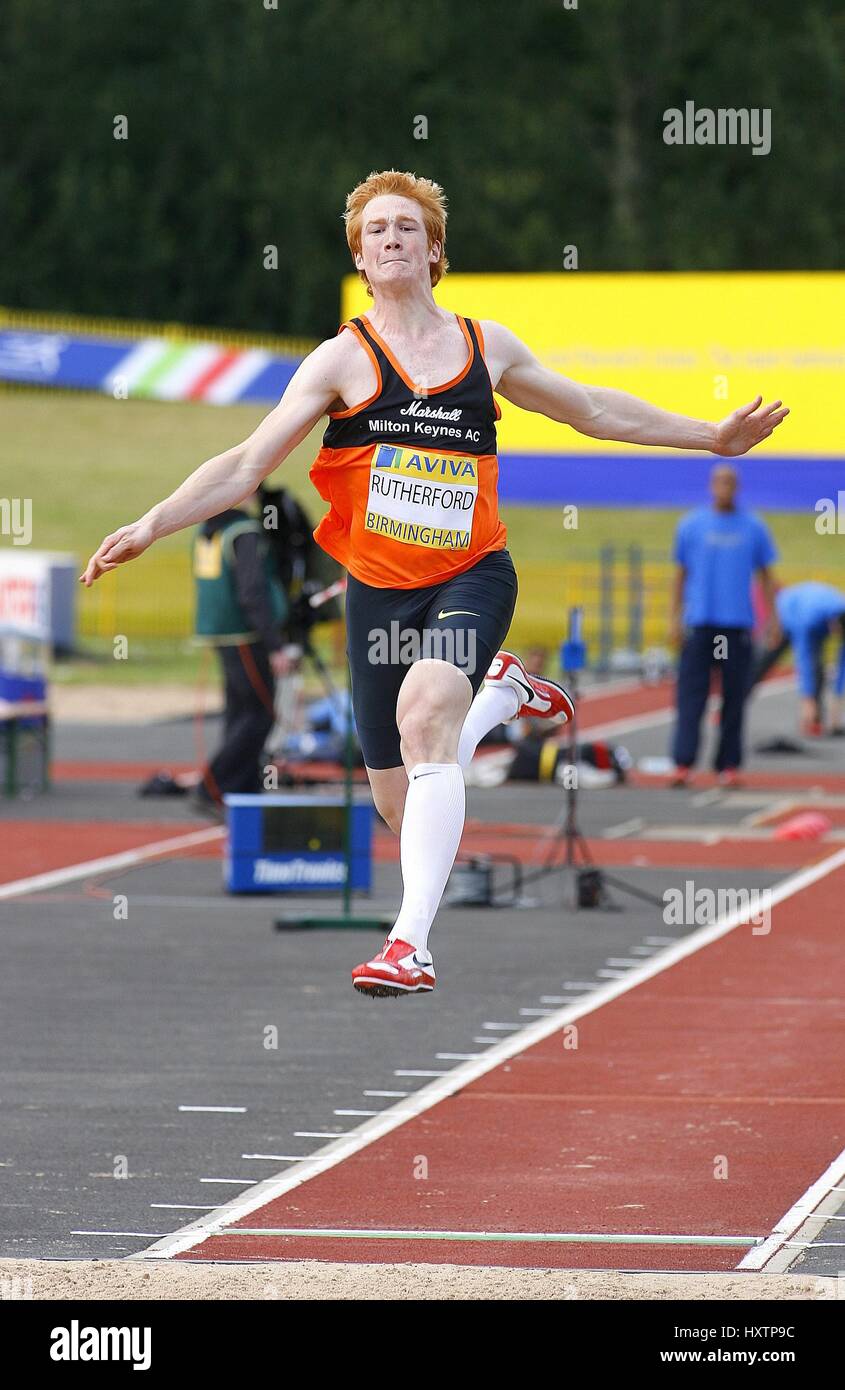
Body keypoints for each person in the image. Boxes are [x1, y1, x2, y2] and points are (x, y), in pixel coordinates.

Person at [80, 169, 788, 997]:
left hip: (472, 575)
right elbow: (245, 465)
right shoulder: (343, 358)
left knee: (423, 721)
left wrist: (709, 436)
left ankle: (407, 945)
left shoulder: (485, 347)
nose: (390, 239)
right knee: (402, 805)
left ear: (434, 251)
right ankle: (500, 698)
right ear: (360, 254)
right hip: (377, 593)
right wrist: (151, 524)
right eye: (375, 230)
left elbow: (588, 408)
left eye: (406, 228)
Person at [669, 463, 780, 787]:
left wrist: (772, 619)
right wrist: (674, 618)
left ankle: (727, 765)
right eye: (719, 482)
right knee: (691, 696)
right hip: (700, 624)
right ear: (711, 486)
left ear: (737, 487)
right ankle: (683, 763)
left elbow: (767, 576)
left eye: (730, 482)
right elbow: (680, 575)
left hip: (736, 626)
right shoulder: (691, 525)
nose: (724, 487)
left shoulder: (753, 526)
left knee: (735, 697)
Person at [191, 490, 290, 815]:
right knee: (260, 714)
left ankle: (241, 790)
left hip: (221, 633)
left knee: (239, 713)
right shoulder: (243, 531)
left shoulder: (208, 529)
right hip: (247, 636)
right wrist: (274, 643)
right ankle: (213, 785)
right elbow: (253, 591)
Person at [752, 581, 845, 735]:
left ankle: (814, 721)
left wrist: (838, 700)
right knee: (759, 665)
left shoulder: (841, 617)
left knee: (818, 671)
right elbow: (804, 658)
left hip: (814, 617)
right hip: (787, 613)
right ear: (834, 624)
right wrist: (807, 699)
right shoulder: (809, 619)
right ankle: (731, 707)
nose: (836, 637)